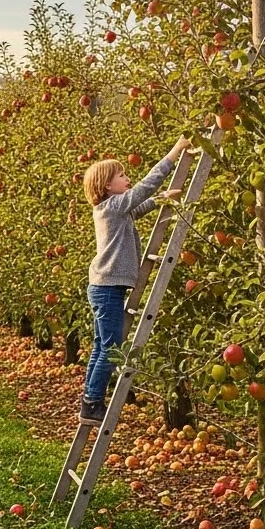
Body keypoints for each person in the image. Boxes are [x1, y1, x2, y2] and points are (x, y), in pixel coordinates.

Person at [78, 136, 191, 424]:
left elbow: (138, 207)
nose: (128, 178)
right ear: (107, 186)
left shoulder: (114, 210)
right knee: (113, 348)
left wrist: (160, 200)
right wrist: (174, 153)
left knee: (102, 346)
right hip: (106, 288)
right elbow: (144, 188)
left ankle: (89, 398)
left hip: (104, 286)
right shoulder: (112, 206)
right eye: (122, 175)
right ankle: (92, 403)